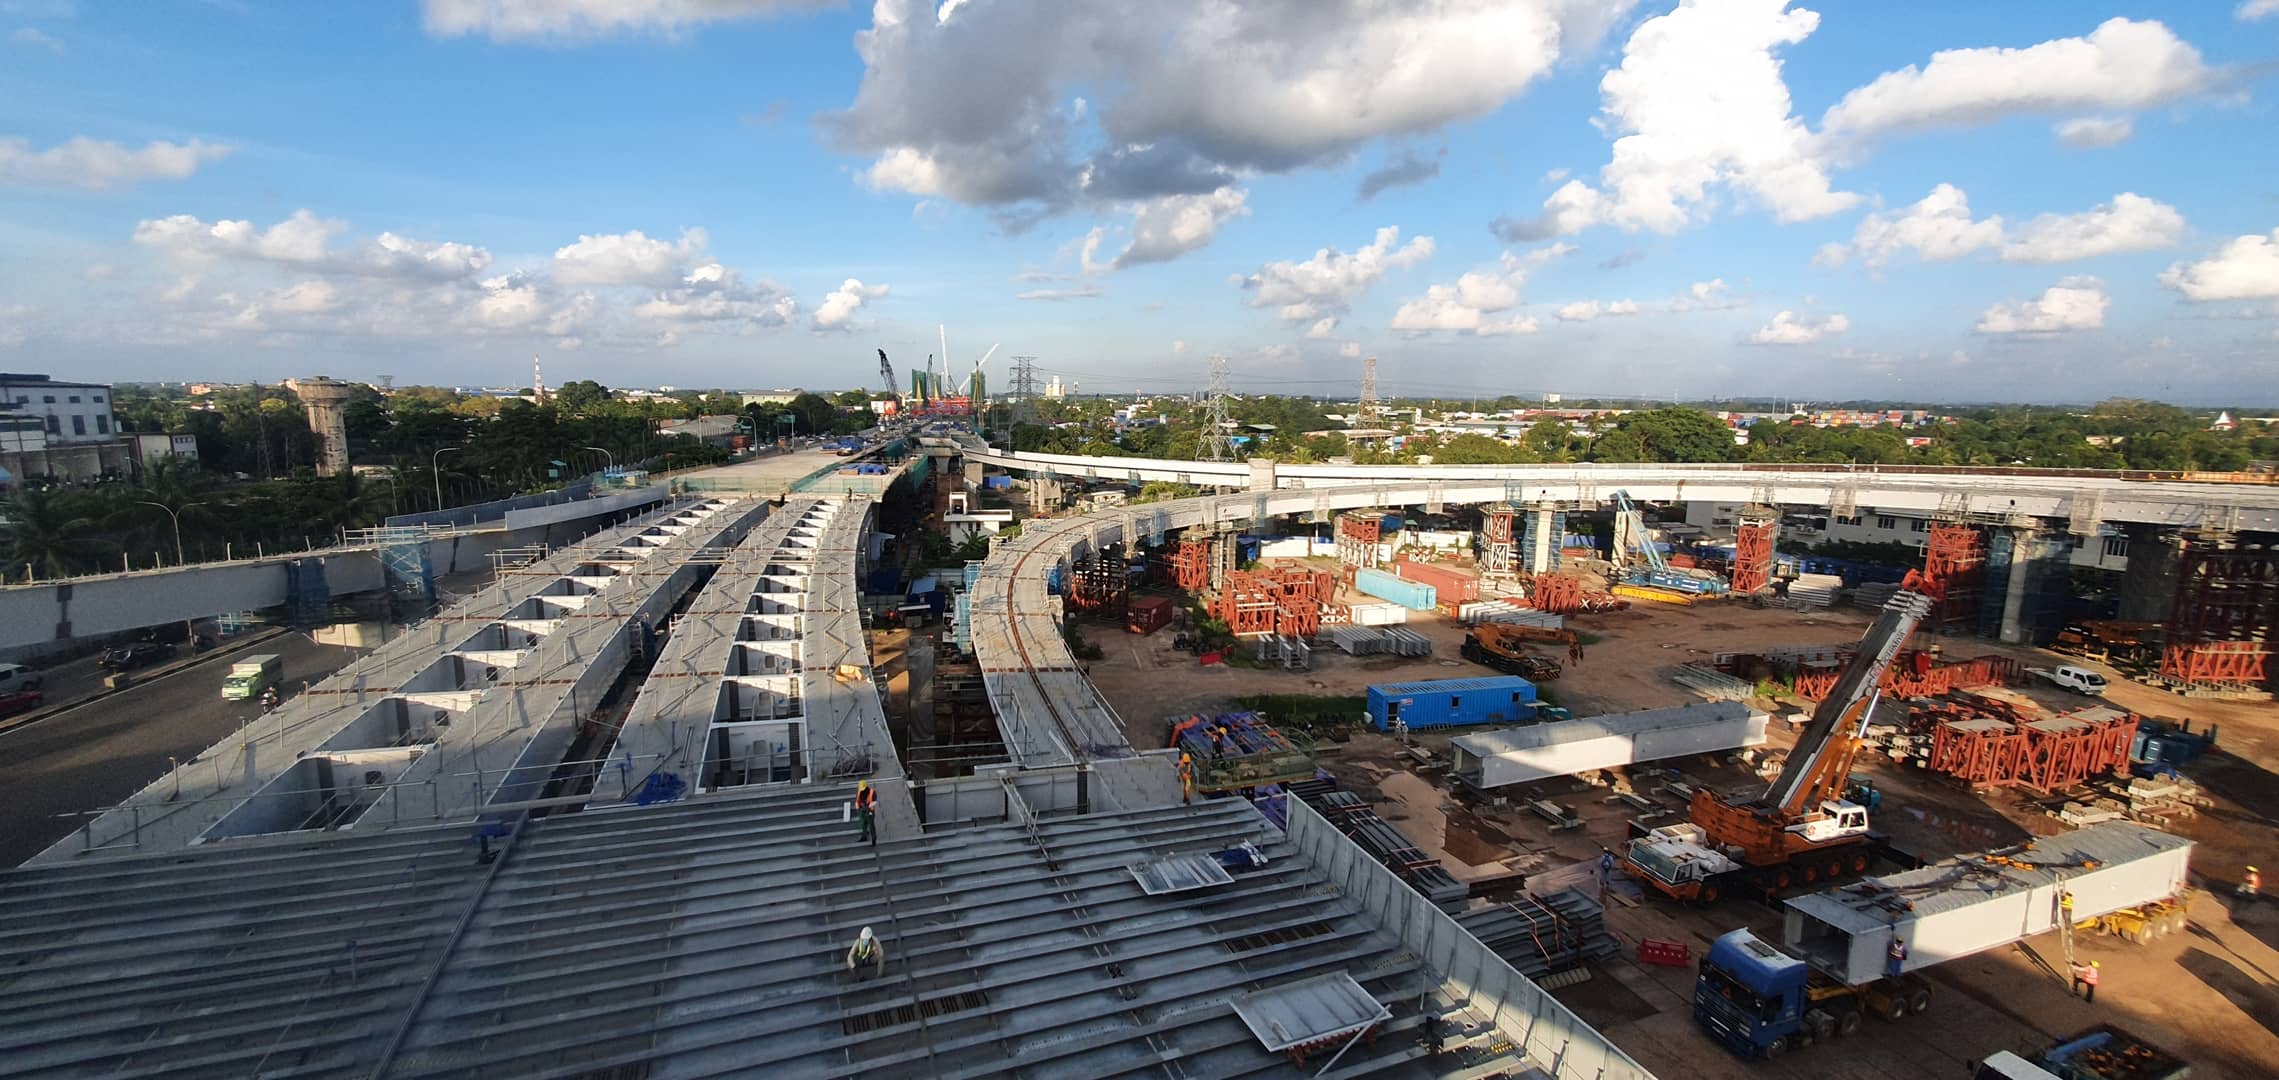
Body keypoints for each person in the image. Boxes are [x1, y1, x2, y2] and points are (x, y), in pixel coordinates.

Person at [854, 780, 877, 845]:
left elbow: (875, 802)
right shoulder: (859, 791)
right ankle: (864, 837)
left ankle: (873, 839)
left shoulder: (872, 792)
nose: (862, 790)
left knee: (871, 824)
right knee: (863, 823)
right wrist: (857, 807)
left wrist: (869, 806)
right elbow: (857, 800)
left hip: (869, 810)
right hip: (862, 809)